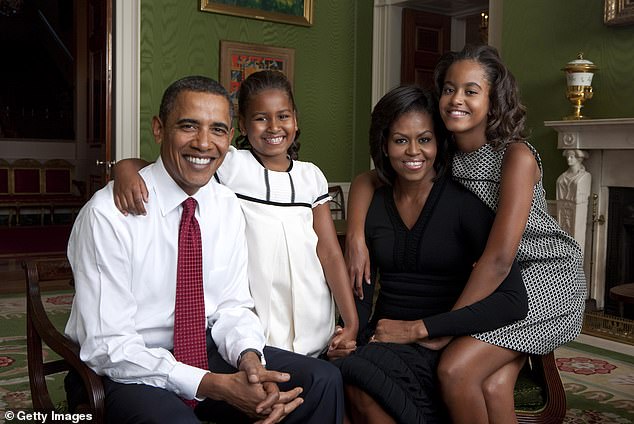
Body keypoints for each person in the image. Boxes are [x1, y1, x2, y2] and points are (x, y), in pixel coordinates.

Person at [64, 75, 344, 424]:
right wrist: (216, 386)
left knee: (322, 380)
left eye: (218, 130)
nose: (203, 143)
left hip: (204, 350)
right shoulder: (109, 215)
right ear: (159, 129)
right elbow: (109, 346)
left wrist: (249, 360)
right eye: (188, 126)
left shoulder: (225, 204)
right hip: (125, 369)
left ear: (230, 137)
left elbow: (232, 306)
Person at [345, 45, 586, 424]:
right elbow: (368, 179)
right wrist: (356, 234)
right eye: (448, 89)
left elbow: (500, 258)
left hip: (544, 277)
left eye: (471, 91)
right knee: (493, 386)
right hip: (500, 280)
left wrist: (441, 328)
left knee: (455, 369)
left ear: (494, 100)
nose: (456, 99)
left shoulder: (515, 157)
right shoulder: (446, 151)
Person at [112, 70, 358, 360]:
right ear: (241, 125)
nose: (273, 127)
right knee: (270, 369)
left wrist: (351, 322)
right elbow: (168, 167)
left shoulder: (311, 177)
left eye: (283, 116)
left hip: (312, 304)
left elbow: (329, 252)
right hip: (257, 311)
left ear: (296, 120)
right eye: (260, 118)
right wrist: (123, 169)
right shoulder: (231, 164)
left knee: (318, 376)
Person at [334, 85, 528, 424]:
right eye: (400, 140)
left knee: (361, 379)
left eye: (424, 139)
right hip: (384, 336)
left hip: (440, 341)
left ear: (438, 144)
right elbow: (361, 285)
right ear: (383, 144)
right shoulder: (374, 204)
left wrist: (424, 330)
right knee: (345, 373)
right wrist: (348, 331)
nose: (413, 152)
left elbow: (512, 300)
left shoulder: (464, 204)